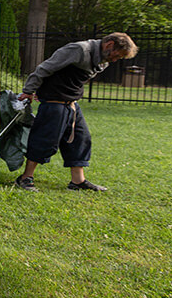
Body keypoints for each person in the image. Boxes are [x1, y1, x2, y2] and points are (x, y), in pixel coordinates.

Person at [15, 33, 138, 191]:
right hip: (54, 103)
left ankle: (77, 182)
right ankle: (25, 178)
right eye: (117, 55)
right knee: (44, 140)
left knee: (80, 139)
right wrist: (29, 90)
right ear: (110, 44)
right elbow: (45, 68)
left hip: (71, 105)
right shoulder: (78, 50)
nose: (115, 60)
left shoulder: (102, 61)